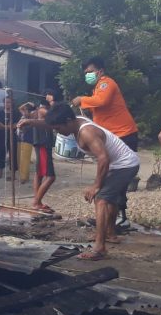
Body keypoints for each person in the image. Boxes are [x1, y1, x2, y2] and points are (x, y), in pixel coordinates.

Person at [43, 104, 140, 260]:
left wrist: (96, 185)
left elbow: (103, 158)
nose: (57, 132)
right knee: (110, 197)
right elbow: (51, 122)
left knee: (101, 198)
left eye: (58, 128)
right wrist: (30, 122)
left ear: (68, 121)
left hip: (125, 165)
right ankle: (110, 234)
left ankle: (100, 247)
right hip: (120, 164)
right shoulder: (76, 121)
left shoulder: (87, 132)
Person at [71, 56, 139, 225]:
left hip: (123, 134)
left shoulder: (106, 83)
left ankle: (118, 219)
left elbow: (102, 102)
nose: (88, 74)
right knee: (110, 176)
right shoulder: (97, 89)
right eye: (86, 72)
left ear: (100, 71)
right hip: (114, 135)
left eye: (90, 71)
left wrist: (81, 99)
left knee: (117, 178)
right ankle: (110, 217)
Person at [19, 99, 56, 212]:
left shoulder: (35, 112)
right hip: (43, 144)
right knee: (50, 176)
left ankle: (37, 201)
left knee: (39, 174)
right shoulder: (42, 111)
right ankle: (36, 202)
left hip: (39, 143)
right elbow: (52, 116)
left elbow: (21, 109)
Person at [17, 102, 36, 184]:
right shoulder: (23, 116)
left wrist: (34, 106)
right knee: (20, 159)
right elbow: (20, 108)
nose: (24, 111)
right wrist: (27, 103)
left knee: (25, 159)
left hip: (27, 140)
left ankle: (23, 178)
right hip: (20, 139)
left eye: (26, 110)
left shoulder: (32, 119)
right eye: (24, 110)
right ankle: (24, 176)